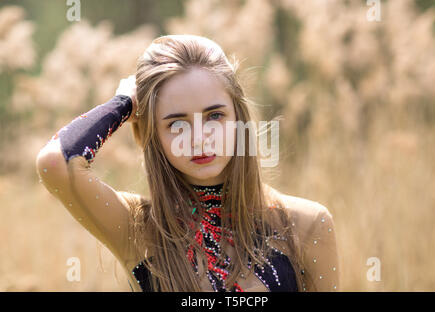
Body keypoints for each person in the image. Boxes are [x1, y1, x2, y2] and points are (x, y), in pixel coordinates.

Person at [35, 34, 339, 292]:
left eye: (215, 116)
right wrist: (124, 103)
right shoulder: (138, 228)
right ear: (151, 134)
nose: (199, 138)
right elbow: (54, 163)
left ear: (239, 119)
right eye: (176, 124)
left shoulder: (305, 224)